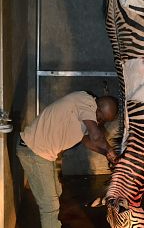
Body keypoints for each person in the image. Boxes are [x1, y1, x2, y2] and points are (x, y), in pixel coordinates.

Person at [16, 91, 119, 228]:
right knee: (50, 205)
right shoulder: (85, 100)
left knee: (57, 192)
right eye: (102, 117)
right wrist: (110, 150)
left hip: (44, 154)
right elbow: (96, 136)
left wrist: (105, 153)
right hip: (34, 151)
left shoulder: (85, 116)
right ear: (98, 106)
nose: (101, 121)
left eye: (105, 121)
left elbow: (88, 141)